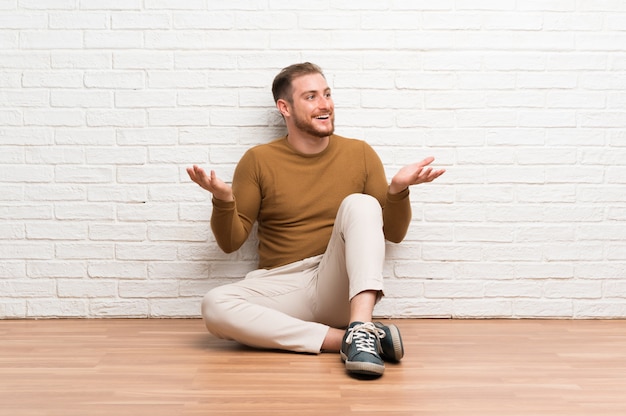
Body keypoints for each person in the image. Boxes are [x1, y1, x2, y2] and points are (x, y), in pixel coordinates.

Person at [187, 62, 445, 378]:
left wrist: (397, 191)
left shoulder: (360, 154)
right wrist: (223, 200)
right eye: (311, 97)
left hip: (336, 281)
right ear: (285, 107)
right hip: (282, 285)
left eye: (326, 94)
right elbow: (229, 243)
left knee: (361, 205)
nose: (324, 104)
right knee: (214, 305)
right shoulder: (258, 160)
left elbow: (393, 233)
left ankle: (361, 324)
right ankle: (353, 339)